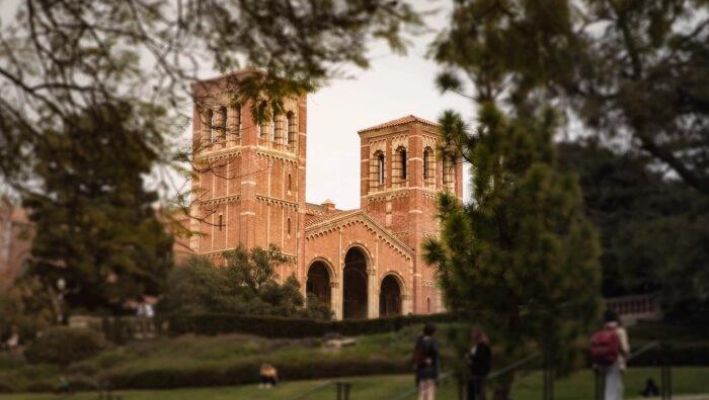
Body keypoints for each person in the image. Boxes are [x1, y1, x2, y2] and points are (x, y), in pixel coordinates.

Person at [602, 310, 630, 400]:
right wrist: (626, 356)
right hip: (616, 362)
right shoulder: (620, 331)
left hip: (603, 362)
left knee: (617, 387)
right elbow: (625, 349)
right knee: (612, 389)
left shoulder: (603, 331)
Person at [413, 322, 440, 400]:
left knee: (422, 394)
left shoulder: (419, 341)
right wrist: (437, 376)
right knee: (430, 395)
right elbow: (436, 358)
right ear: (433, 332)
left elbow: (415, 357)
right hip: (431, 372)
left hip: (421, 371)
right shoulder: (434, 342)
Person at [465, 329, 491, 400]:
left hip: (479, 373)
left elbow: (480, 357)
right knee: (475, 392)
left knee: (479, 392)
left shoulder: (483, 346)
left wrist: (469, 356)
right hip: (475, 372)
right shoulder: (477, 346)